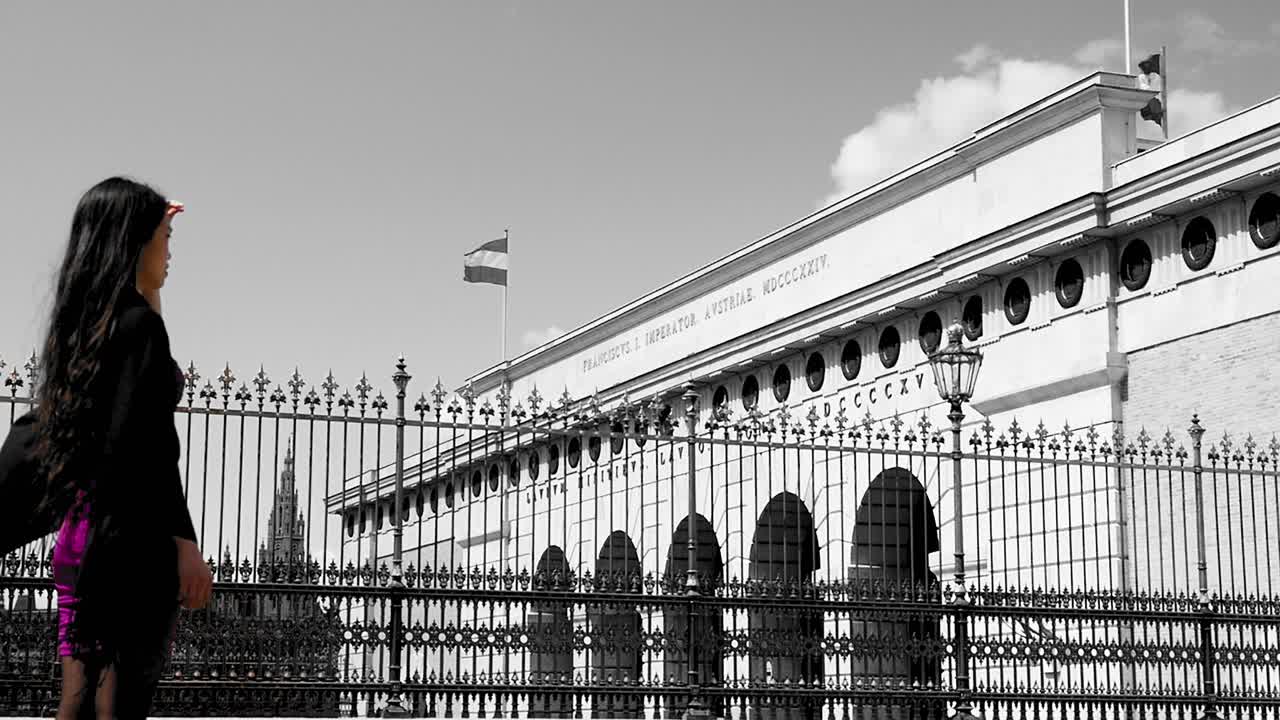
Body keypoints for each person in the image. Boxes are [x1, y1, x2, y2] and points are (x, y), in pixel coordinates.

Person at [34, 176, 213, 720]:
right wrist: (183, 539)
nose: (171, 252)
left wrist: (151, 220)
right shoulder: (139, 330)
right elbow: (149, 447)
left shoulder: (85, 326)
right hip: (129, 542)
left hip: (80, 535)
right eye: (165, 238)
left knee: (78, 697)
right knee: (118, 703)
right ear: (135, 242)